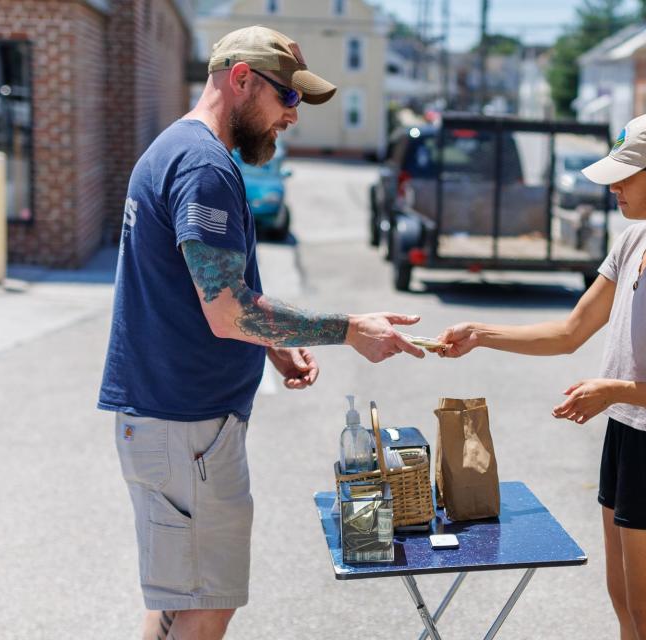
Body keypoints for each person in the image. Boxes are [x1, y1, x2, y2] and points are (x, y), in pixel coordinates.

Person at [97, 26, 425, 640]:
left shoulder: (178, 148)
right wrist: (350, 329)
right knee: (205, 603)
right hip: (186, 427)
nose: (292, 116)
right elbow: (226, 308)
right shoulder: (203, 166)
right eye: (287, 98)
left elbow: (208, 295)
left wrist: (273, 343)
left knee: (177, 597)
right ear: (241, 78)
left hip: (168, 422)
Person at [436, 110, 646, 640]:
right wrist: (481, 334)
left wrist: (615, 391)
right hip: (629, 438)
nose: (614, 189)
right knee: (626, 607)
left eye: (626, 177)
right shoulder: (633, 242)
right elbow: (570, 331)